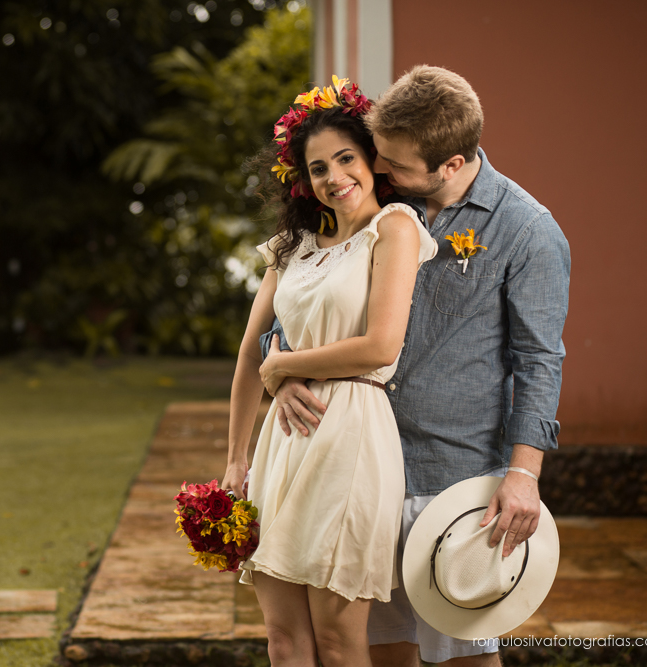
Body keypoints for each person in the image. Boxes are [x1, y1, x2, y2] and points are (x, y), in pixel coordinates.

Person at [268, 65, 571, 666]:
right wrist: (281, 364)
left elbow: (539, 361)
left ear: (451, 164)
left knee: (466, 657)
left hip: (455, 476)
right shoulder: (384, 202)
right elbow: (312, 290)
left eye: (395, 163)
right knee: (384, 653)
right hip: (360, 472)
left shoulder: (528, 232)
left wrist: (524, 474)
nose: (379, 170)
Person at [221, 76, 438, 667]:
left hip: (352, 434)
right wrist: (237, 459)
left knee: (341, 644)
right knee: (283, 640)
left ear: (372, 159)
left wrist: (284, 364)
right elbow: (250, 355)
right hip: (283, 445)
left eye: (346, 158)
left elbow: (380, 345)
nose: (334, 176)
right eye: (317, 168)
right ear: (303, 179)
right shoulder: (291, 247)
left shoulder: (393, 227)